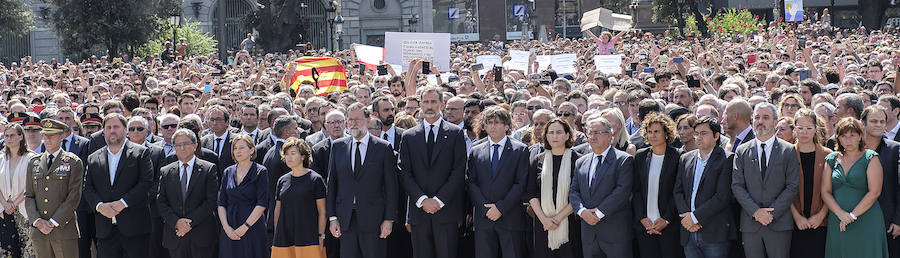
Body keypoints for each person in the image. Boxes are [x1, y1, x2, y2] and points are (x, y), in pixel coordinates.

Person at [398, 87, 467, 258]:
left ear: (442, 104)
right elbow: (404, 172)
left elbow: (459, 170)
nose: (430, 106)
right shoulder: (409, 136)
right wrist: (422, 200)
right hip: (418, 212)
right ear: (420, 104)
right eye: (426, 102)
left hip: (446, 211)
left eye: (434, 101)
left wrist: (438, 200)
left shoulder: (455, 133)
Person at [326, 103, 399, 258]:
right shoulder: (338, 146)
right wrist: (332, 217)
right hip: (346, 219)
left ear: (367, 120)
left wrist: (389, 219)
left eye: (358, 119)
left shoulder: (383, 147)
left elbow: (391, 187)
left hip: (374, 220)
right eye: (350, 120)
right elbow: (332, 183)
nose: (353, 123)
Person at [732, 103, 799, 258]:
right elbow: (737, 186)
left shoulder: (788, 150)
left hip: (779, 223)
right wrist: (756, 212)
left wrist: (772, 213)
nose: (760, 121)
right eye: (757, 117)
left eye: (765, 117)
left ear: (775, 123)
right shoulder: (742, 151)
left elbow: (792, 186)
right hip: (751, 224)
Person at [83, 113, 154, 258]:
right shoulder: (93, 158)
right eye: (108, 127)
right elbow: (88, 187)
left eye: (116, 127)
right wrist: (99, 206)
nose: (112, 130)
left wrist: (123, 203)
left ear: (125, 129)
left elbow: (146, 183)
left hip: (135, 229)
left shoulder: (141, 153)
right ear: (103, 132)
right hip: (105, 229)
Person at [466, 106, 529, 258]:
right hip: (484, 218)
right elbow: (471, 182)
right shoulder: (476, 149)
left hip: (510, 217)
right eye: (489, 122)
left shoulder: (520, 149)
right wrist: (484, 208)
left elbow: (520, 183)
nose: (492, 126)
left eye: (497, 122)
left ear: (507, 126)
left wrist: (500, 208)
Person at [822, 117, 889, 257]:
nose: (848, 140)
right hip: (838, 220)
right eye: (843, 136)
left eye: (852, 135)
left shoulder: (871, 157)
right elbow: (825, 191)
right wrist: (840, 214)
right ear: (838, 138)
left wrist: (852, 215)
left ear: (860, 136)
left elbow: (874, 192)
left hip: (866, 220)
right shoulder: (832, 159)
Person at [569, 117, 633, 257]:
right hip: (589, 234)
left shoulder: (623, 159)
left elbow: (622, 192)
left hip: (614, 234)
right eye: (590, 133)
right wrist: (581, 211)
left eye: (597, 132)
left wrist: (598, 214)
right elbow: (574, 191)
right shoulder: (581, 162)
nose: (592, 137)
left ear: (610, 135)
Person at [673, 116, 735, 258]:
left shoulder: (727, 159)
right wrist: (687, 218)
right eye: (696, 133)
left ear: (716, 136)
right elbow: (678, 191)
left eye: (703, 133)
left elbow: (722, 197)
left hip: (714, 232)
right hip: (688, 231)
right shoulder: (686, 158)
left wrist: (695, 218)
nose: (698, 137)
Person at [24, 119, 83, 258]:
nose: (48, 139)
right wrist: (38, 221)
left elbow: (73, 197)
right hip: (39, 231)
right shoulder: (34, 162)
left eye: (52, 135)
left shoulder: (73, 162)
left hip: (63, 229)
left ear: (62, 136)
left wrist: (53, 222)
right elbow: (29, 195)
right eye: (45, 135)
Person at [157, 128, 219, 258]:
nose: (182, 148)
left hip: (201, 235)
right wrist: (177, 222)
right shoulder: (166, 171)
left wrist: (189, 223)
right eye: (178, 145)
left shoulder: (208, 169)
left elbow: (211, 201)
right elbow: (161, 202)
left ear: (195, 145)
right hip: (175, 235)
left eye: (186, 144)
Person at [526, 118, 582, 258]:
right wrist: (545, 220)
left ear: (567, 135)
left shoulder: (578, 160)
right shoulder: (537, 160)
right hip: (542, 224)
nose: (555, 136)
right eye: (551, 132)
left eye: (559, 132)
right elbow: (531, 193)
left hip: (569, 223)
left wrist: (557, 219)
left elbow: (579, 194)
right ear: (546, 136)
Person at [632, 113, 683, 258]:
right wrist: (642, 218)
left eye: (657, 131)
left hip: (669, 225)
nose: (652, 135)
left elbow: (678, 191)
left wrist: (666, 219)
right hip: (645, 226)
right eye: (649, 132)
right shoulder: (641, 156)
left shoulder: (678, 156)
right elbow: (636, 191)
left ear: (666, 133)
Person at [271, 138, 327, 258]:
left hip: (308, 237)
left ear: (303, 156)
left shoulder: (315, 179)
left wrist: (321, 236)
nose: (289, 157)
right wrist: (277, 235)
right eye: (286, 154)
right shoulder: (282, 180)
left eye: (293, 153)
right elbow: (277, 210)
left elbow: (322, 211)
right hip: (284, 237)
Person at [788, 109, 831, 258]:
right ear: (794, 129)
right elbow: (782, 189)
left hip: (820, 222)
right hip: (794, 222)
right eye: (800, 128)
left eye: (808, 128)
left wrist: (821, 215)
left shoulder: (828, 155)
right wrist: (797, 216)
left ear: (816, 129)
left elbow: (833, 190)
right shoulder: (786, 153)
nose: (804, 132)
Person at [858, 105, 900, 255]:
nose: (879, 125)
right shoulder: (852, 148)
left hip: (887, 221)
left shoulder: (895, 149)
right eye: (874, 121)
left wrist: (898, 220)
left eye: (882, 122)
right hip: (856, 218)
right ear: (863, 123)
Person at [218, 134, 269, 258]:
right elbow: (221, 203)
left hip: (252, 226)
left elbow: (262, 203)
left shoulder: (261, 171)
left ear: (251, 150)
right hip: (230, 226)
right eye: (235, 148)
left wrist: (245, 227)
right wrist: (226, 228)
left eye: (241, 147)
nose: (237, 151)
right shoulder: (228, 171)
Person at [0, 123, 35, 257]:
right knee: (8, 251)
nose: (9, 139)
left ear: (21, 136)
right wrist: (5, 203)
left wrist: (13, 203)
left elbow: (30, 185)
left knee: (27, 250)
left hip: (24, 210)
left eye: (12, 135)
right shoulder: (1, 158)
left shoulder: (31, 158)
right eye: (6, 135)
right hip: (4, 210)